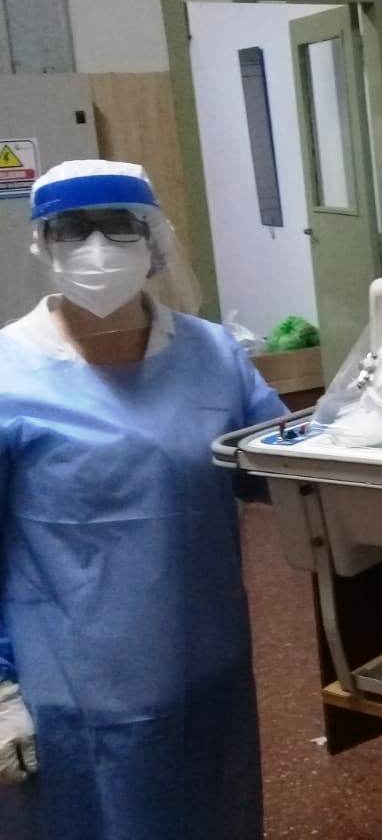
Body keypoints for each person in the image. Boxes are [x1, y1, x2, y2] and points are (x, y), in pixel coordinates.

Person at [0, 160, 287, 839]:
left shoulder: (213, 354)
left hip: (204, 664)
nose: (96, 248)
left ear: (153, 240)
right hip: (69, 686)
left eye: (117, 226)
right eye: (73, 229)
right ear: (43, 245)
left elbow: (281, 469)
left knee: (212, 813)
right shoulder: (9, 373)